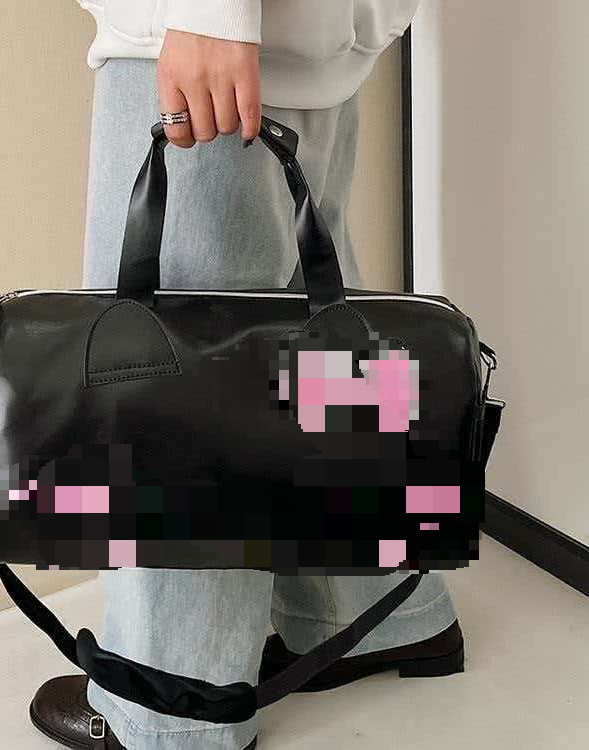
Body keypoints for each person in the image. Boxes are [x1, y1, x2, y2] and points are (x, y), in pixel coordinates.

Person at [30, 2, 463, 749]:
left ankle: (171, 705)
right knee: (319, 353)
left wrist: (210, 13)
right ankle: (372, 615)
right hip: (313, 31)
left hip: (200, 32)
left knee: (173, 382)